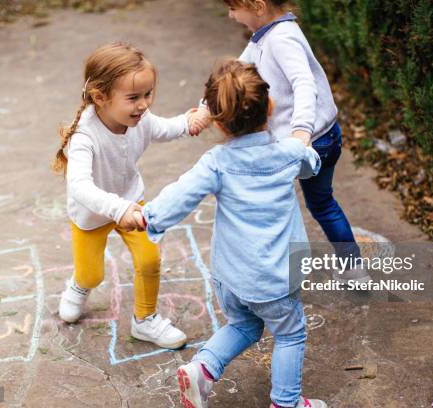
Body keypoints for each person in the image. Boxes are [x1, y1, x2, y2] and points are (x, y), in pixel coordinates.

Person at [139, 59, 327, 408]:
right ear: (270, 106)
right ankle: (286, 403)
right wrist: (303, 142)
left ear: (219, 123)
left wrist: (150, 217)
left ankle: (203, 369)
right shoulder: (287, 154)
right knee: (289, 333)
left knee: (244, 325)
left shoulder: (217, 162)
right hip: (276, 278)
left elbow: (181, 194)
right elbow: (311, 163)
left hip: (231, 275)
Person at [191, 0, 367, 282]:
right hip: (324, 136)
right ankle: (353, 268)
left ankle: (270, 272)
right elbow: (234, 74)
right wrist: (204, 107)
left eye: (234, 8)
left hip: (307, 143)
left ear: (257, 6)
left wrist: (301, 132)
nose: (230, 15)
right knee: (322, 204)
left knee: (268, 205)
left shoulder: (282, 38)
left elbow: (304, 83)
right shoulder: (266, 36)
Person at [52, 42, 194, 349]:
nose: (143, 105)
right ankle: (79, 286)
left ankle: (145, 321)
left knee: (149, 259)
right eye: (133, 97)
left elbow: (167, 128)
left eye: (148, 94)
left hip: (132, 201)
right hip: (93, 214)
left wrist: (190, 122)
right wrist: (118, 209)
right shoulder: (84, 137)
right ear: (100, 97)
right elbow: (79, 186)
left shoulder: (139, 120)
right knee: (92, 275)